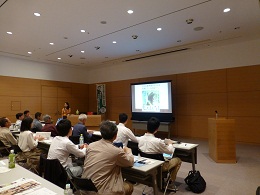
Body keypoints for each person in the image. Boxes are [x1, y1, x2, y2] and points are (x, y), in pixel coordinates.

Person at [82, 120, 134, 195]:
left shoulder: (91, 146)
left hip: (85, 188)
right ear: (115, 136)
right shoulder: (116, 151)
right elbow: (130, 162)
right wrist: (129, 151)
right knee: (129, 186)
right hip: (101, 191)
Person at [138, 117, 182, 191]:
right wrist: (170, 143)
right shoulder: (158, 141)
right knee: (178, 160)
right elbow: (170, 151)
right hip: (159, 167)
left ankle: (160, 181)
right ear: (157, 129)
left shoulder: (140, 139)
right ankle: (170, 184)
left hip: (147, 166)